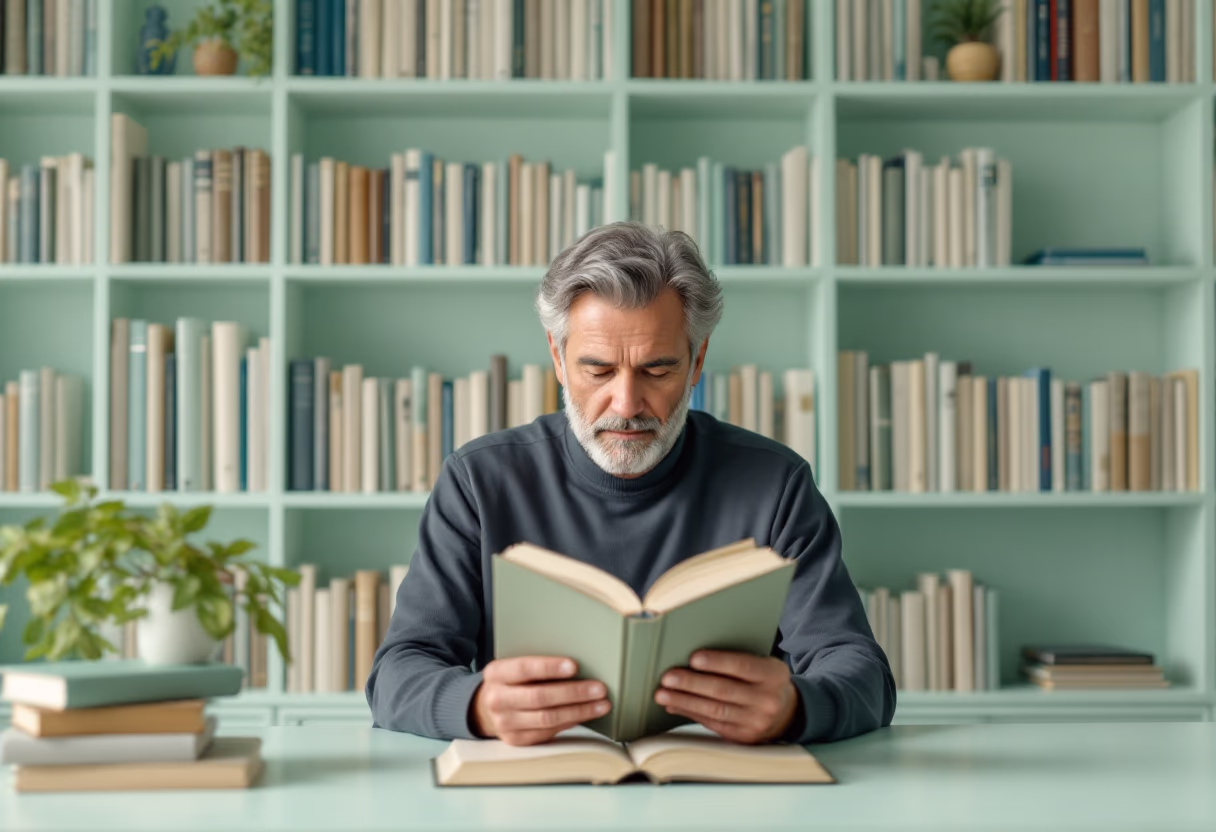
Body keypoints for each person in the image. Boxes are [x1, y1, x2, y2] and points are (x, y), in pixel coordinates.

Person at [366, 221, 895, 747]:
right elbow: (398, 673)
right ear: (557, 356)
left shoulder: (777, 485)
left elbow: (862, 672)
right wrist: (478, 705)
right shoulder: (478, 482)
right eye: (597, 371)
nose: (626, 404)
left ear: (697, 360)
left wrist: (797, 709)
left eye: (657, 370)